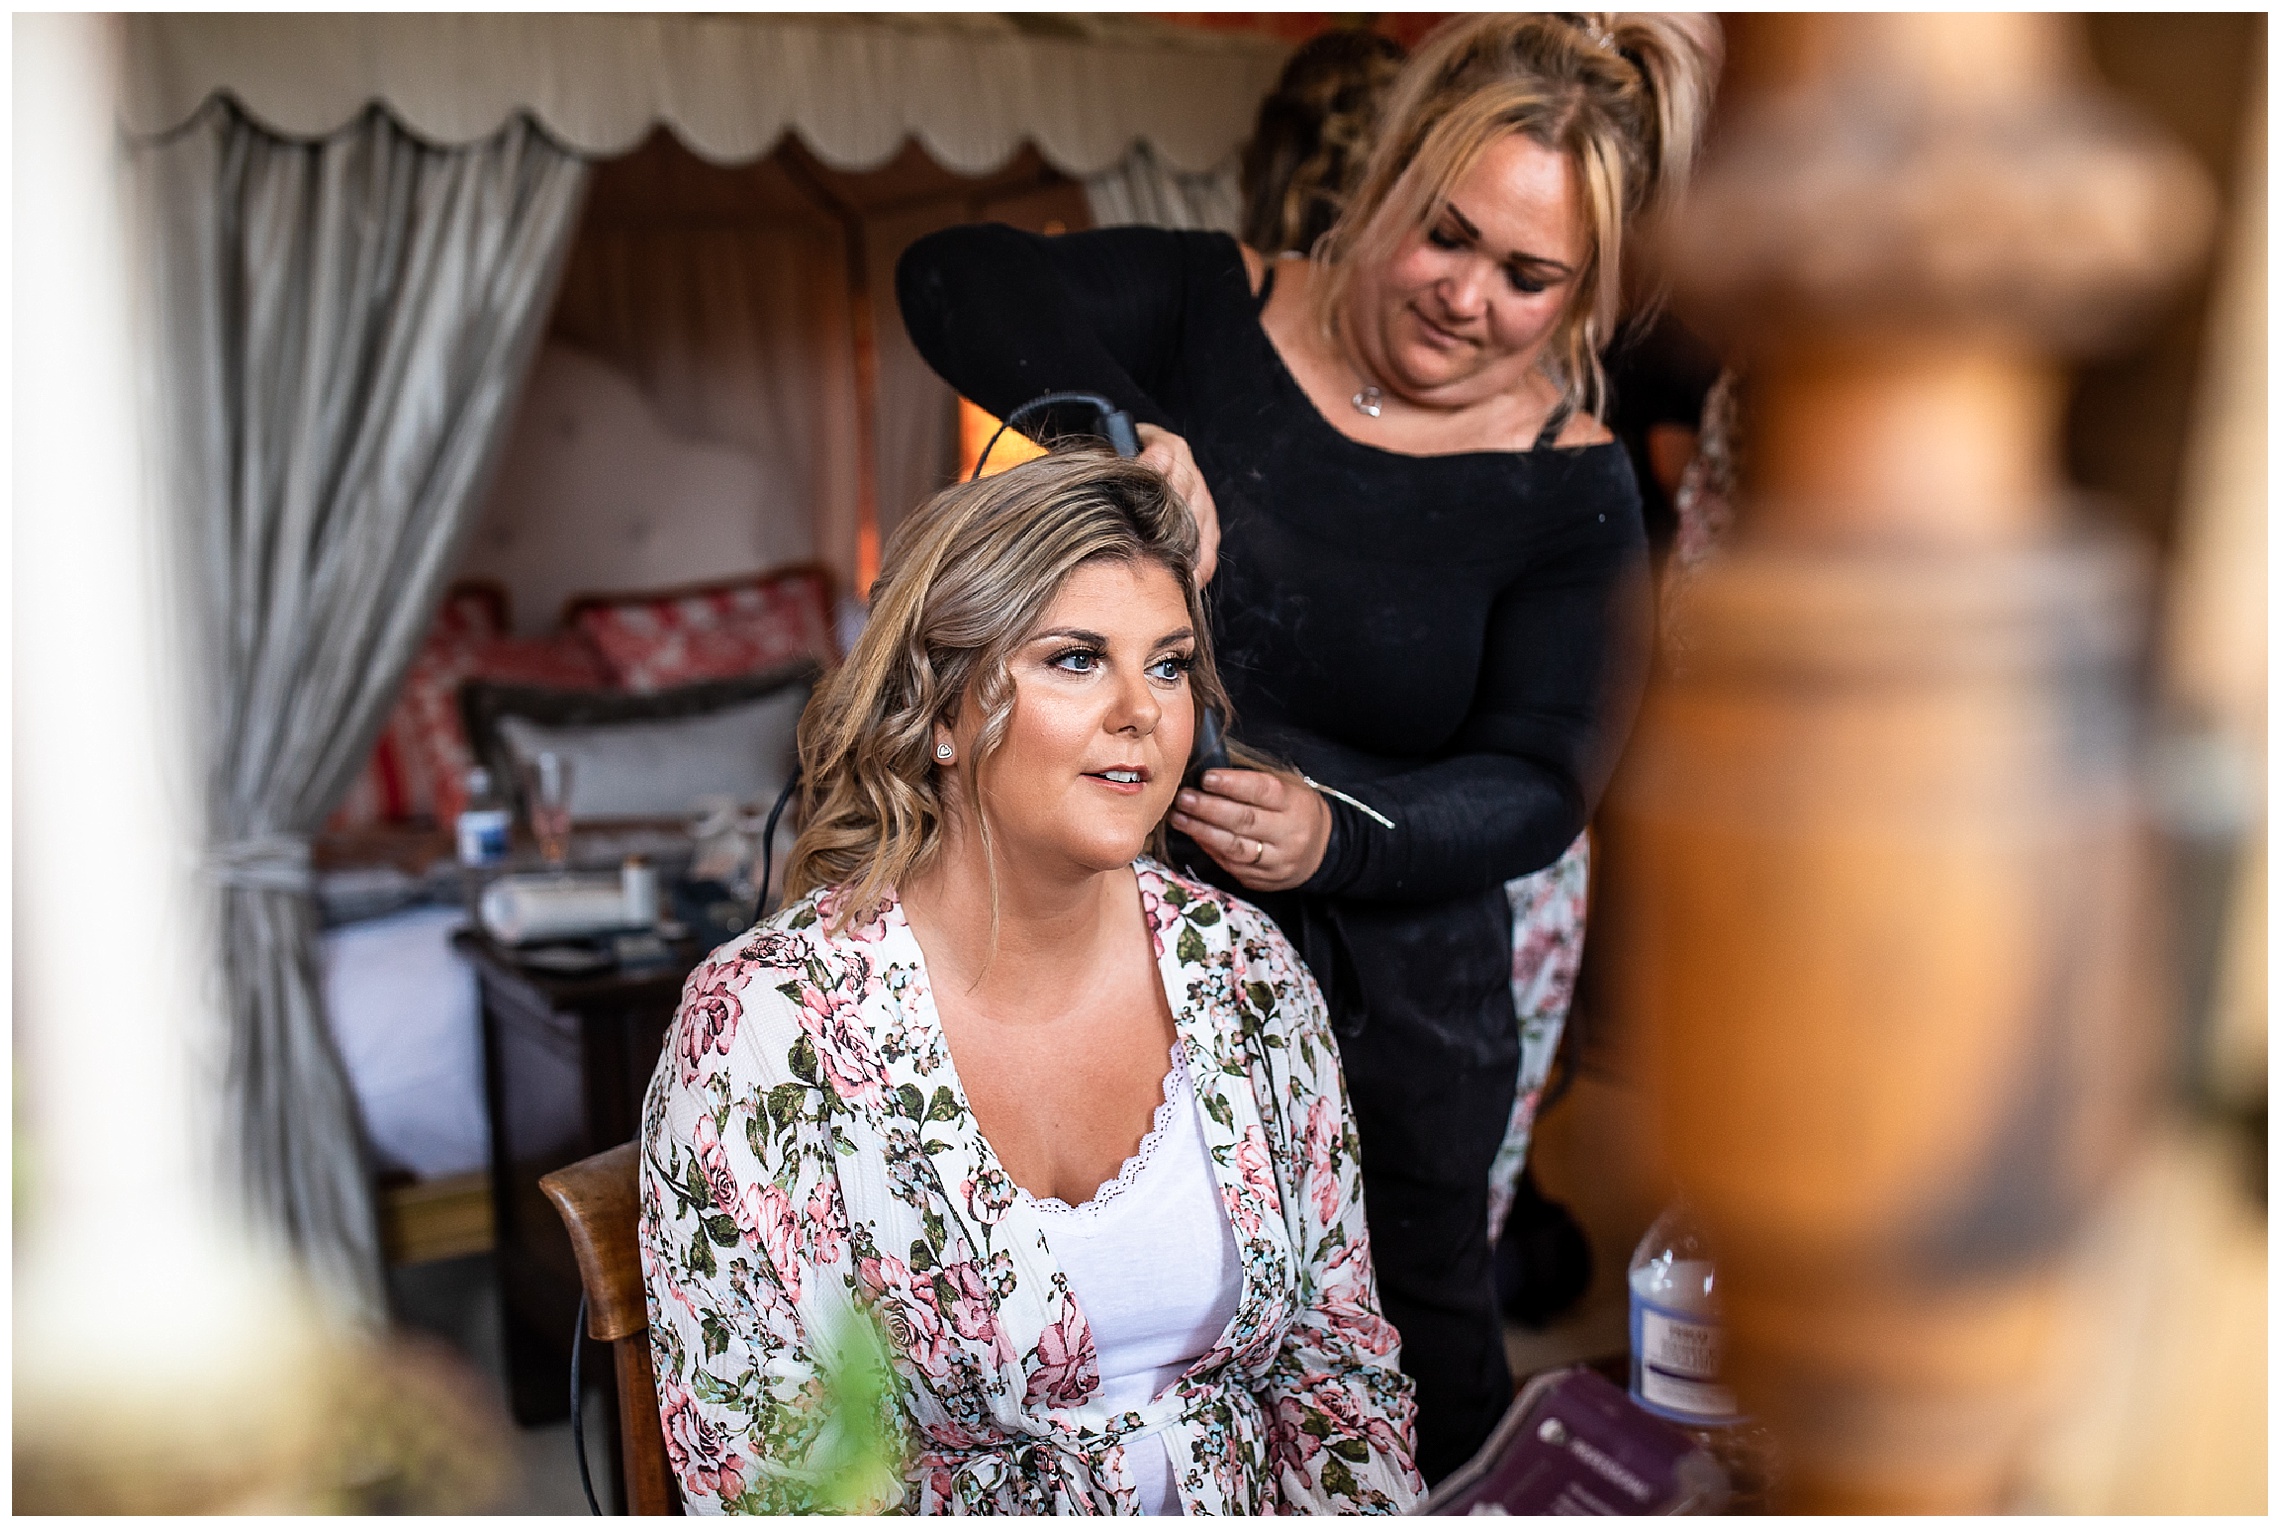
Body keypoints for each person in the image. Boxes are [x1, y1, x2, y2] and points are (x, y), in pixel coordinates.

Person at [895, 12, 1722, 1481]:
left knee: (1406, 1363)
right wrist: (1126, 426)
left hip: (1403, 1012)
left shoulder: (1571, 489)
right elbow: (953, 271)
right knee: (1134, 1347)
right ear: (1392, 179)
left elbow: (1542, 781)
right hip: (1129, 969)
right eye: (1446, 236)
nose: (1466, 297)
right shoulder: (1213, 304)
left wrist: (1336, 833)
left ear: (1586, 291)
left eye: (1529, 277)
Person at [638, 449, 1423, 1514]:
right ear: (944, 708)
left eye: (1168, 663)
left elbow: (1339, 1361)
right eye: (1075, 658)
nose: (1143, 711)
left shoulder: (1244, 971)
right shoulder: (766, 1028)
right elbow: (775, 1479)